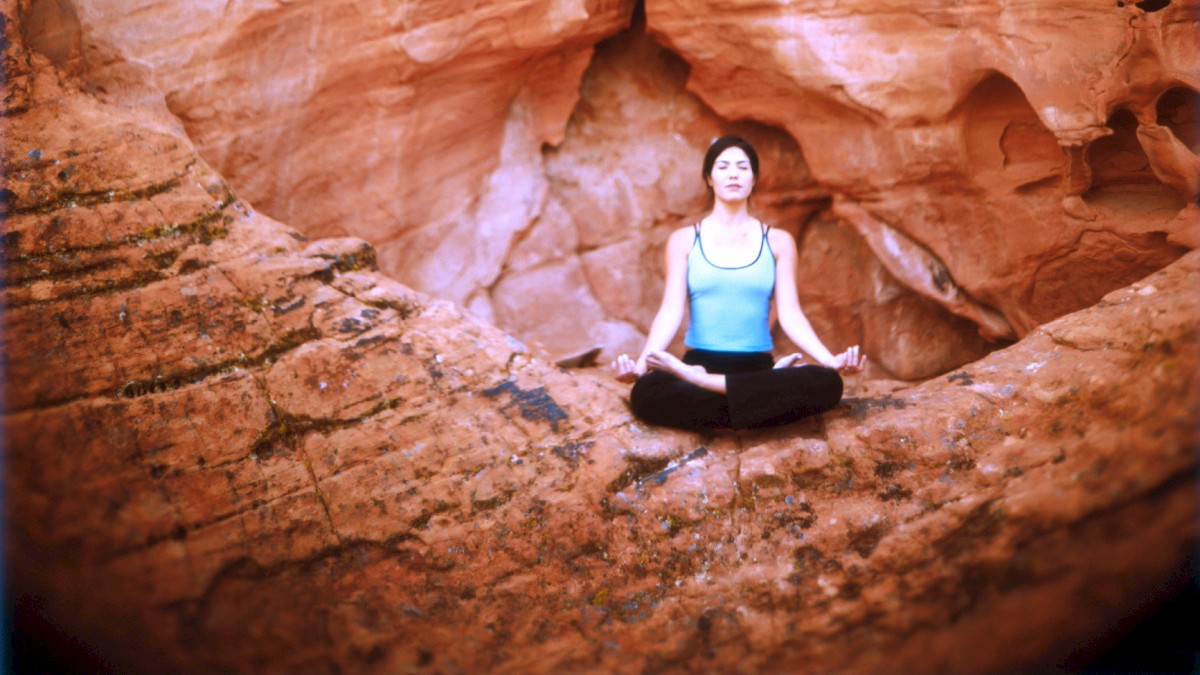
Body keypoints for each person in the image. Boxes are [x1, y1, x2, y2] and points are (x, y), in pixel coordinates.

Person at [611, 135, 866, 430]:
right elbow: (670, 310)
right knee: (647, 394)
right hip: (699, 362)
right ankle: (751, 401)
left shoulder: (778, 242)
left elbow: (790, 313)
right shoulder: (683, 240)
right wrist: (641, 365)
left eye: (742, 167)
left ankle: (718, 389)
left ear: (754, 179)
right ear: (709, 177)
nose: (733, 174)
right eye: (723, 167)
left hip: (755, 367)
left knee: (827, 383)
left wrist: (829, 361)